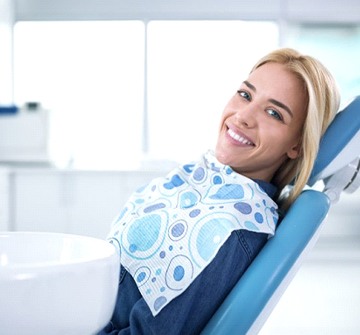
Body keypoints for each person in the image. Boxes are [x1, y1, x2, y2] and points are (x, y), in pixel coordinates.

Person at [98, 48, 340, 334]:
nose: (243, 117)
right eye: (246, 94)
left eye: (274, 113)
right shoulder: (200, 180)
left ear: (297, 145)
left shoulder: (228, 230)